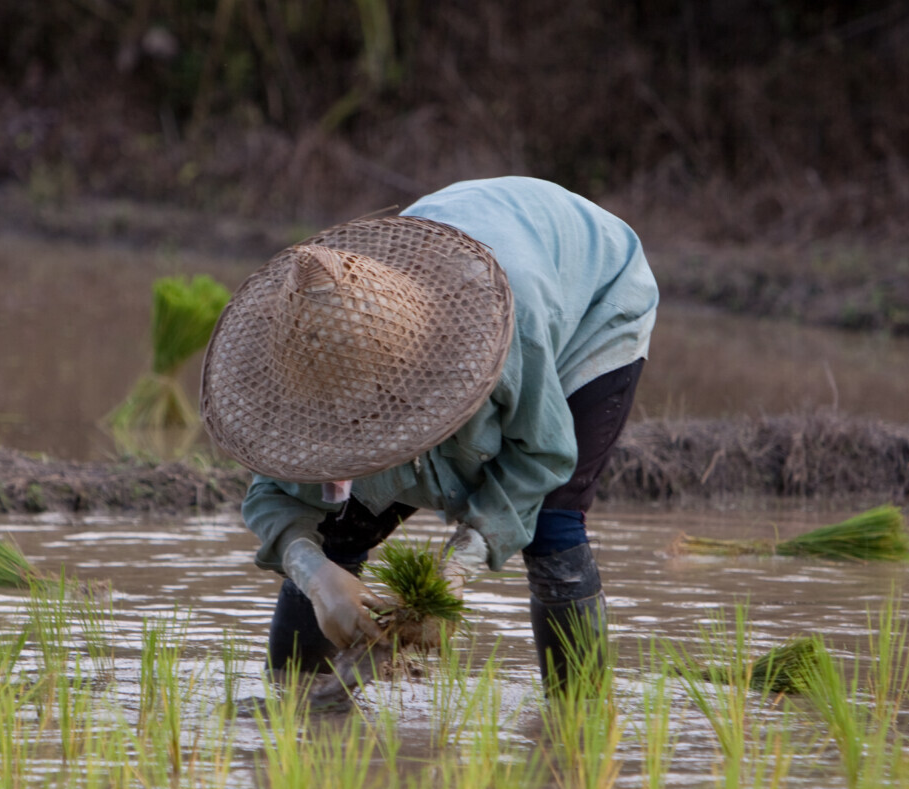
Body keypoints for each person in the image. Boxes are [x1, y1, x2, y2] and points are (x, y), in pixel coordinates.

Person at [200, 176, 659, 693]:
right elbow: (273, 492)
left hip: (591, 289)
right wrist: (314, 575)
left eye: (365, 416)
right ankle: (301, 707)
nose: (353, 432)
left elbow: (542, 457)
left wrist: (456, 570)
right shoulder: (314, 347)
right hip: (438, 255)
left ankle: (579, 726)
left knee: (552, 526)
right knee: (338, 529)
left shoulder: (506, 337)